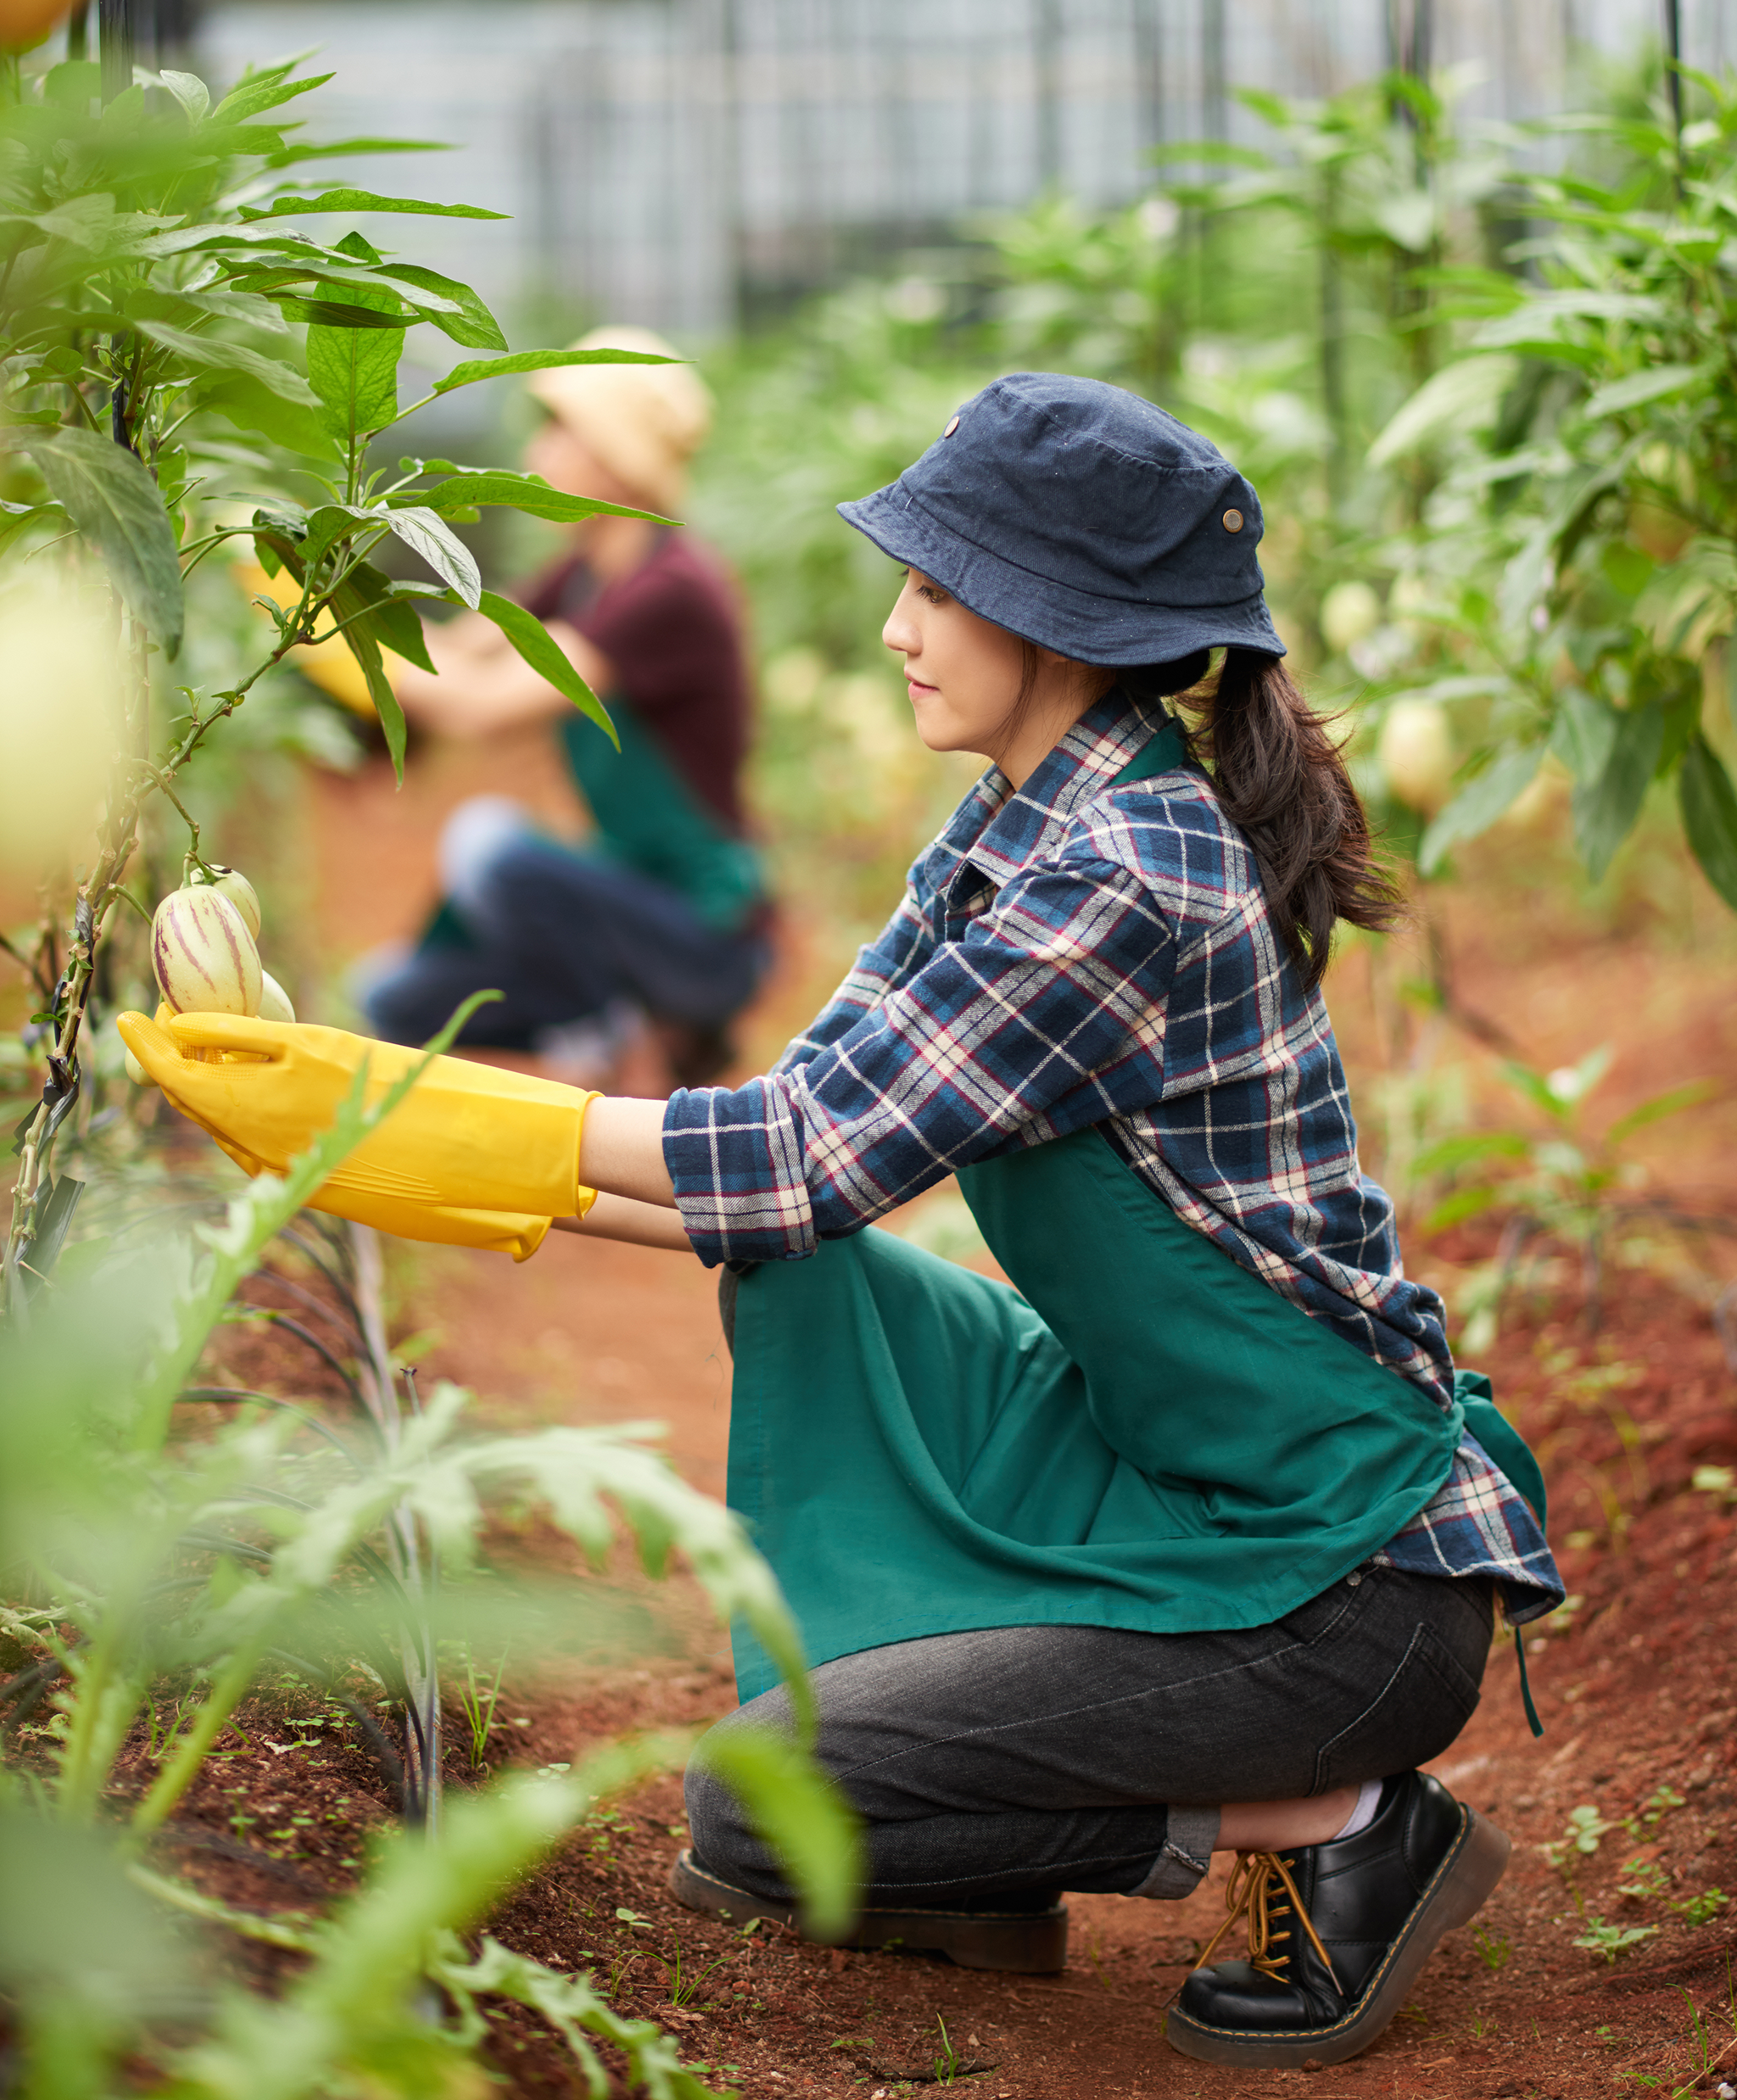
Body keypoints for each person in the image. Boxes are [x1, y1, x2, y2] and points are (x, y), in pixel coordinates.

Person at [124, 373, 1562, 2073]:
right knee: (786, 1732)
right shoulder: (1020, 825)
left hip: (1339, 1576)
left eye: (938, 584)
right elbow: (773, 1168)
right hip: (1185, 1469)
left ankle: (1338, 1817)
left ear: (1063, 619)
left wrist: (401, 1101)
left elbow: (791, 1151)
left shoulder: (1118, 875)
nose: (895, 623)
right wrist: (401, 1159)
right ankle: (1014, 1819)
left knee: (775, 1801)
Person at [363, 336, 770, 1086]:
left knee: (486, 842)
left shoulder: (670, 591)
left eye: (560, 426)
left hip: (700, 932)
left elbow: (477, 710)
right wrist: (337, 615)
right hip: (623, 908)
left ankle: (616, 1040)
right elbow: (457, 652)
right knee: (390, 996)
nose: (538, 446)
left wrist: (330, 650)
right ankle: (610, 1027)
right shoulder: (585, 575)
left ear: (615, 455)